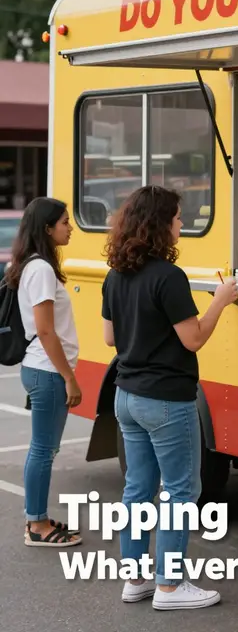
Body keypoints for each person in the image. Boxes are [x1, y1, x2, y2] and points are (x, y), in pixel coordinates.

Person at [101, 186, 238, 610]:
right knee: (180, 490)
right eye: (178, 218)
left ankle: (136, 579)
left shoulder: (114, 274)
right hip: (166, 399)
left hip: (126, 394)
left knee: (137, 489)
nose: (182, 224)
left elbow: (109, 337)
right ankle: (171, 586)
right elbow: (193, 338)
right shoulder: (168, 277)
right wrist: (220, 302)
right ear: (160, 225)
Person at [4, 198, 82, 548]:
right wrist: (69, 376)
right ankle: (36, 524)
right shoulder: (41, 270)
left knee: (43, 448)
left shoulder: (35, 267)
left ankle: (37, 517)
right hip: (47, 371)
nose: (70, 227)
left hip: (41, 368)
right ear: (47, 229)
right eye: (65, 222)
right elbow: (46, 331)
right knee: (43, 449)